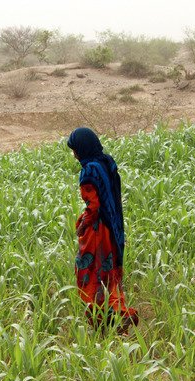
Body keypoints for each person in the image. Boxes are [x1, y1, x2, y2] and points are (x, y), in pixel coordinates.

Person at [67, 127, 138, 334]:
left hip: (98, 231)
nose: (74, 154)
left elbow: (94, 206)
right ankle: (114, 317)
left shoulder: (89, 170)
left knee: (89, 272)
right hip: (113, 228)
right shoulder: (106, 162)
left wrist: (81, 225)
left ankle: (108, 318)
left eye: (75, 149)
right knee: (108, 273)